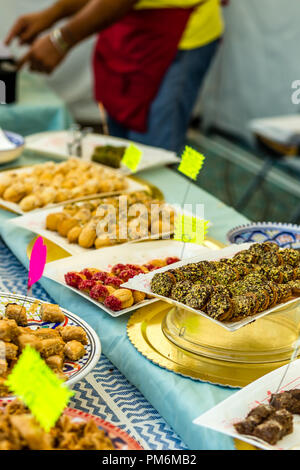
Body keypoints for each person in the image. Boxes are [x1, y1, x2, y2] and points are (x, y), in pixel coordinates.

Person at [6, 0, 224, 152]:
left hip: (176, 38)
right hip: (128, 32)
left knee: (155, 150)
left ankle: (164, 210)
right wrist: (52, 14)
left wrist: (62, 40)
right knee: (124, 148)